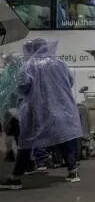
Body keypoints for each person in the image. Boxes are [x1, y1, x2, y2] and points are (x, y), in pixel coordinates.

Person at [0, 39, 82, 190]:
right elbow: (70, 82)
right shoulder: (60, 63)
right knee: (63, 138)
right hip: (62, 108)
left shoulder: (29, 66)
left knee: (26, 142)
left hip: (37, 110)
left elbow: (23, 86)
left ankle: (16, 178)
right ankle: (73, 171)